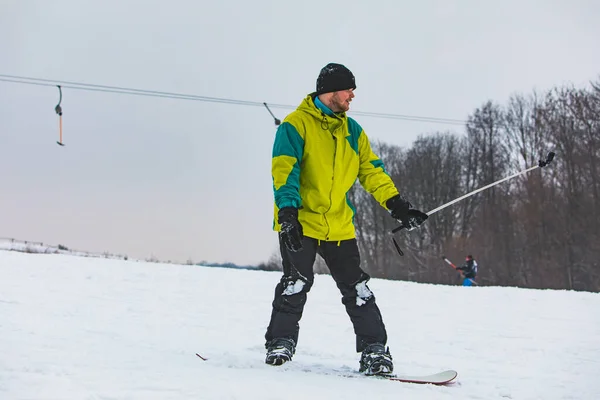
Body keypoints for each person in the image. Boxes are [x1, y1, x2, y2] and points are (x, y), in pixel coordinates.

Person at [264, 62, 429, 375]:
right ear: (330, 92)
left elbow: (371, 172)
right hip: (301, 220)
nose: (352, 95)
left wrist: (398, 205)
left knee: (357, 287)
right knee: (296, 281)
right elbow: (285, 170)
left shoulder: (353, 131)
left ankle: (375, 350)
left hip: (338, 223)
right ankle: (280, 342)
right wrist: (287, 213)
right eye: (348, 89)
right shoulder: (295, 125)